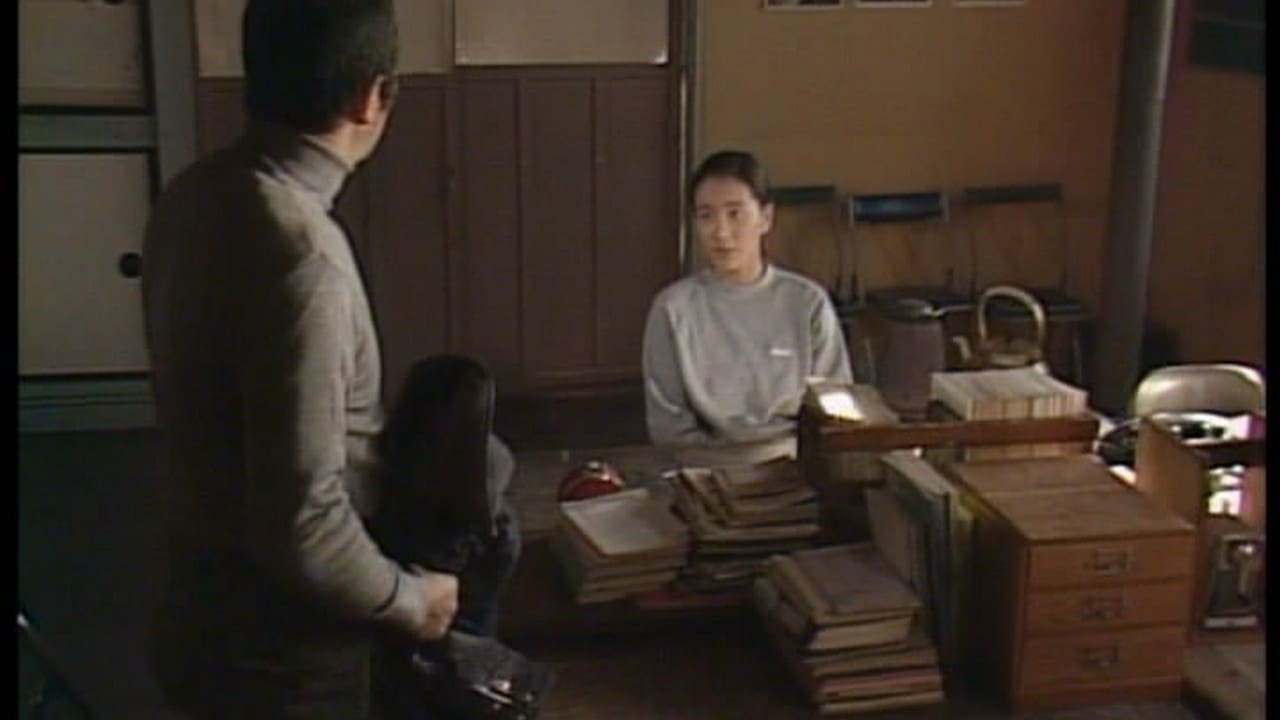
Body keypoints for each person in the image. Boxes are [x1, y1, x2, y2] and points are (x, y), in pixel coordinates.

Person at [140, 1, 457, 717]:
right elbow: (302, 526)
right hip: (282, 649)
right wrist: (412, 601)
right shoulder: (302, 259)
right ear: (371, 97)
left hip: (194, 602)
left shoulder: (191, 194)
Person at [642, 150, 854, 447]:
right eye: (706, 216)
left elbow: (836, 409)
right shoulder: (673, 308)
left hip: (797, 460)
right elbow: (669, 427)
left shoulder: (807, 303)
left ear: (765, 218)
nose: (721, 232)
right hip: (703, 463)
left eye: (735, 214)